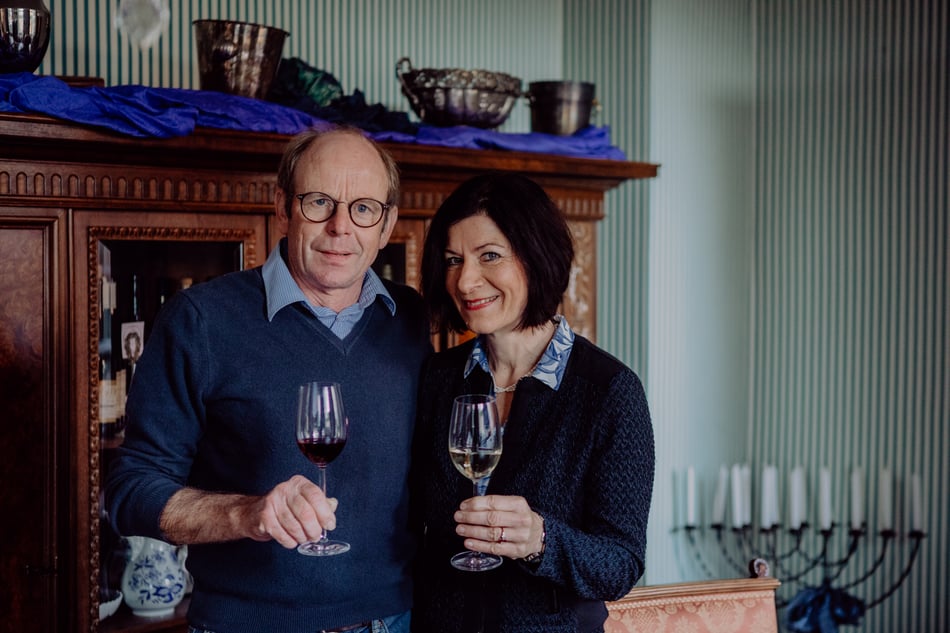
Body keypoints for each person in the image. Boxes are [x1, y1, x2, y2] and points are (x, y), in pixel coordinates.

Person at [105, 125, 432, 633]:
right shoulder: (201, 319)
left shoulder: (409, 318)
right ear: (282, 207)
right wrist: (247, 513)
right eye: (319, 202)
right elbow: (130, 491)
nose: (341, 227)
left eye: (364, 208)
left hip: (395, 620)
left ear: (386, 225)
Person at [411, 173, 655, 633]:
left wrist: (540, 539)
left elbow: (620, 564)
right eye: (453, 260)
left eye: (489, 255)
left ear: (537, 255)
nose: (465, 280)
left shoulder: (610, 391)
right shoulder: (439, 378)